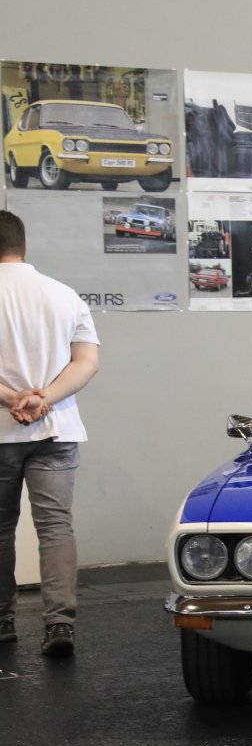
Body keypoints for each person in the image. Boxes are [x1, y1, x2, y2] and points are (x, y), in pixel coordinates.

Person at [0, 210, 101, 655]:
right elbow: (87, 363)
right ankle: (60, 625)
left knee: (1, 528)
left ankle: (2, 621)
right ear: (23, 245)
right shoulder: (64, 294)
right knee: (56, 527)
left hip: (2, 430)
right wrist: (45, 399)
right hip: (56, 429)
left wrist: (12, 398)